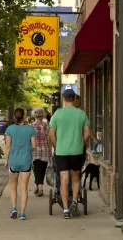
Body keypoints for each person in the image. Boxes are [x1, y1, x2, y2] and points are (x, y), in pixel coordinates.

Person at [49, 89, 90, 219]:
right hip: (77, 151)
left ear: (64, 98)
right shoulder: (81, 114)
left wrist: (57, 146)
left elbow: (51, 135)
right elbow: (87, 133)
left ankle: (66, 210)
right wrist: (79, 142)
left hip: (61, 151)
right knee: (76, 177)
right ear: (74, 98)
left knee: (64, 179)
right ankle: (74, 202)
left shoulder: (57, 114)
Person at [4, 108, 37, 220]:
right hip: (26, 160)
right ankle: (22, 213)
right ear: (24, 116)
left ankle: (14, 208)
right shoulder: (30, 129)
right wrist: (27, 150)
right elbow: (34, 146)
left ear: (14, 117)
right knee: (24, 188)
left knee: (13, 186)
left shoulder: (9, 129)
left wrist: (6, 160)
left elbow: (8, 146)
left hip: (13, 160)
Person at [31, 107, 51, 197]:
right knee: (42, 169)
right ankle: (39, 186)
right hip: (45, 150)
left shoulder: (31, 126)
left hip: (34, 150)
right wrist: (50, 150)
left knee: (36, 169)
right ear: (42, 115)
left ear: (34, 115)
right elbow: (49, 138)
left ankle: (39, 187)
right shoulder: (46, 125)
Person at [74, 94, 98, 165]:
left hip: (66, 146)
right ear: (75, 101)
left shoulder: (62, 113)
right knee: (77, 169)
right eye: (79, 101)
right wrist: (95, 140)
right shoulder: (80, 114)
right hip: (79, 147)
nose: (81, 104)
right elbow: (88, 131)